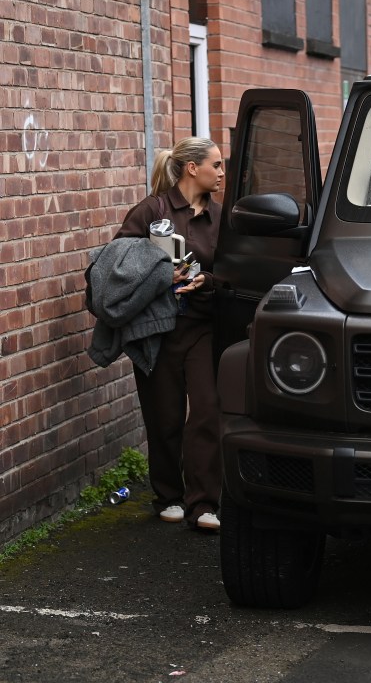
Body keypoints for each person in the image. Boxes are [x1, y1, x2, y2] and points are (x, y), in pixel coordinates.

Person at [114, 137, 225, 531]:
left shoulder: (220, 217)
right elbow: (118, 264)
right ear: (193, 168)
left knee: (208, 410)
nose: (222, 173)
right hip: (156, 329)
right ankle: (169, 495)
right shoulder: (151, 211)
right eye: (217, 165)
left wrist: (206, 280)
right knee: (164, 416)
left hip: (201, 326)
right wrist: (162, 274)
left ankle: (205, 502)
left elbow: (231, 270)